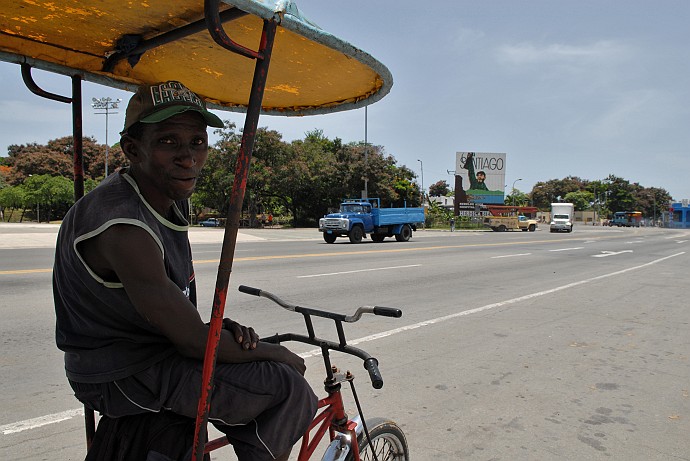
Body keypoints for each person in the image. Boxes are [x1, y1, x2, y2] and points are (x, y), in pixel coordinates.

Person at [53, 81, 317, 461]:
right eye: (168, 142)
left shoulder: (155, 196)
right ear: (132, 149)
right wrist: (277, 354)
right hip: (122, 372)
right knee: (286, 386)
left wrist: (220, 331)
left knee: (245, 359)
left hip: (144, 352)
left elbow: (167, 309)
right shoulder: (123, 223)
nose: (188, 158)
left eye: (197, 142)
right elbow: (193, 342)